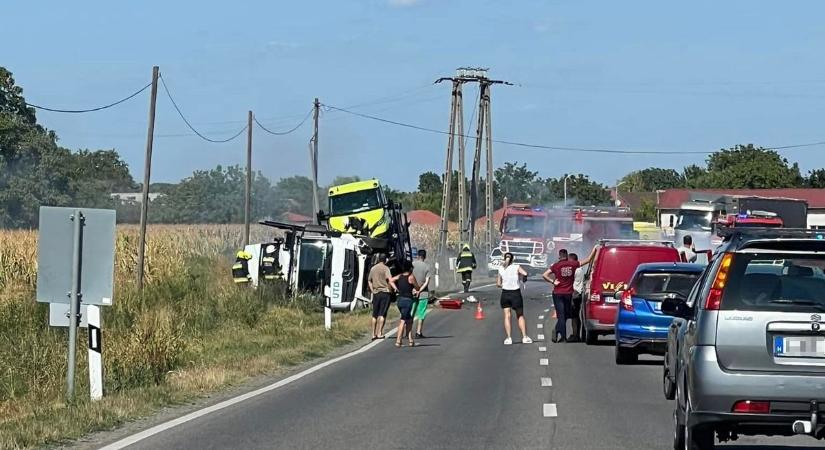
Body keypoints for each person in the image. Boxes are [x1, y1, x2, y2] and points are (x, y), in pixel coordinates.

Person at [543, 249, 580, 343]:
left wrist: (553, 282)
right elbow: (587, 260)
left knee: (561, 315)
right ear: (567, 256)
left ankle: (560, 334)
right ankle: (560, 333)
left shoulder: (556, 265)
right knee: (566, 315)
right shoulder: (573, 265)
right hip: (568, 294)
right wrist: (595, 250)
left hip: (557, 293)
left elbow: (544, 275)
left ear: (559, 256)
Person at [497, 252, 533, 345]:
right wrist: (522, 279)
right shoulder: (516, 267)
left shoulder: (501, 268)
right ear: (513, 259)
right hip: (515, 293)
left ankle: (509, 338)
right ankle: (524, 337)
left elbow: (498, 284)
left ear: (504, 259)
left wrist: (505, 284)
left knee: (507, 316)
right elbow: (525, 273)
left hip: (505, 293)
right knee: (520, 315)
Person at [390, 260, 419, 347]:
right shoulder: (411, 277)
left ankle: (410, 339)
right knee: (403, 320)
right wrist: (415, 289)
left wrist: (396, 288)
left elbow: (391, 280)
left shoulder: (399, 276)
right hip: (408, 300)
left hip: (400, 300)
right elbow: (417, 287)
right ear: (410, 268)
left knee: (409, 319)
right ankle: (398, 340)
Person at [368, 254, 393, 340]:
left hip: (376, 293)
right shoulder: (386, 268)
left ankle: (373, 334)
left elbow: (369, 280)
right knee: (382, 314)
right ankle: (380, 333)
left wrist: (372, 290)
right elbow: (390, 280)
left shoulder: (373, 268)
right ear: (385, 260)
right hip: (385, 292)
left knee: (375, 314)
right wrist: (390, 290)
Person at [411, 249, 431, 339]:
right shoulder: (427, 267)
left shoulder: (412, 265)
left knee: (411, 313)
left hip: (412, 292)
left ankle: (407, 332)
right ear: (425, 257)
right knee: (421, 313)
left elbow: (409, 278)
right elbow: (427, 282)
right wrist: (420, 290)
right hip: (423, 294)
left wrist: (415, 290)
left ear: (417, 256)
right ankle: (418, 332)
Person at [569, 253, 585, 342]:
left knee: (574, 316)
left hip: (575, 294)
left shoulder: (576, 270)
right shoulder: (580, 269)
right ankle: (576, 334)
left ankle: (575, 335)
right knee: (575, 315)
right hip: (578, 293)